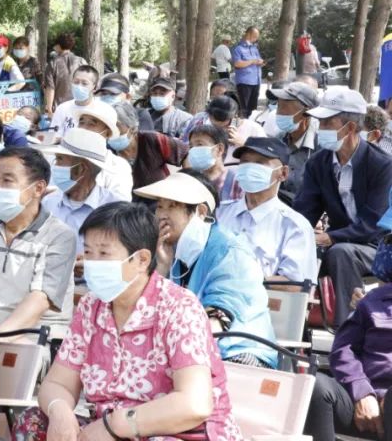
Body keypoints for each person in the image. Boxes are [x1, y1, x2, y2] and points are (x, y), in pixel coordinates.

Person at [16, 202, 243, 441]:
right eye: (89, 252)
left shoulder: (178, 307)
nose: (93, 263)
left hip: (175, 433)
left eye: (104, 253)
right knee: (34, 421)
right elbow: (57, 383)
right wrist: (60, 411)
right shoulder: (91, 307)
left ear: (142, 259)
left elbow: (194, 404)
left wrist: (116, 426)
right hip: (108, 428)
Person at [142, 171, 278, 367]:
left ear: (201, 211)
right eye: (160, 206)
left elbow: (221, 315)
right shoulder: (177, 253)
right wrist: (162, 267)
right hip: (191, 351)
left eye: (172, 206)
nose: (162, 215)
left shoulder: (230, 251)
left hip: (239, 354)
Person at [295, 87, 392, 325]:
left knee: (341, 252)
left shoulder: (382, 165)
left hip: (377, 246)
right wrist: (296, 233)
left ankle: (349, 327)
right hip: (339, 242)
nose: (321, 128)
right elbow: (305, 210)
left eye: (328, 123)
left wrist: (329, 237)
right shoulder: (318, 162)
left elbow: (374, 224)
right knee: (297, 246)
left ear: (350, 128)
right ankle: (292, 322)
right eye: (320, 122)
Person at [0, 146, 77, 332]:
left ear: (38, 188)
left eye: (7, 181)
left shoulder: (58, 236)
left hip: (34, 332)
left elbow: (41, 299)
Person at [303, 262, 392, 441]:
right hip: (365, 398)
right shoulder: (372, 301)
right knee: (316, 386)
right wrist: (362, 392)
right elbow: (343, 350)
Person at [216, 138, 318, 285]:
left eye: (260, 163)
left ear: (283, 173)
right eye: (245, 162)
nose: (250, 168)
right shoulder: (220, 213)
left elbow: (295, 284)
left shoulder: (295, 226)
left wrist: (245, 282)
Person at [40, 128, 124, 237]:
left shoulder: (115, 212)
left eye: (60, 159)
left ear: (81, 169)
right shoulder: (48, 202)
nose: (55, 165)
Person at [110, 102, 188, 189]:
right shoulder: (107, 150)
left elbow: (185, 154)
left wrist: (185, 184)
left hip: (159, 195)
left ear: (132, 128)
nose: (110, 131)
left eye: (116, 126)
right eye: (108, 126)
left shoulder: (152, 140)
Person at [267, 81, 320, 203]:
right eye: (278, 107)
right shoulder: (277, 141)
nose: (278, 113)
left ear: (305, 113)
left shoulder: (322, 148)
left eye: (284, 108)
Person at [74, 100, 134, 201]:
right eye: (82, 122)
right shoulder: (63, 157)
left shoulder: (117, 166)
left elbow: (119, 206)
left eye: (91, 124)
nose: (83, 128)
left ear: (107, 133)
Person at [184, 124, 239, 204]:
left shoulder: (236, 181)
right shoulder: (191, 181)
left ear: (219, 149)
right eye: (191, 146)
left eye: (199, 144)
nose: (193, 150)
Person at [42, 32, 86, 113]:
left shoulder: (52, 64)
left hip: (59, 108)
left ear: (58, 46)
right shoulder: (81, 61)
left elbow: (50, 88)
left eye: (55, 45)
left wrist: (49, 108)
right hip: (80, 105)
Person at [50, 64, 99, 137]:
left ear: (95, 87)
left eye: (84, 83)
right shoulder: (62, 108)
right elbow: (54, 136)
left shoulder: (101, 110)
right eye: (76, 82)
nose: (79, 86)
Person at [232, 26, 264, 118]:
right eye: (255, 36)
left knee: (253, 109)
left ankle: (252, 123)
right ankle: (243, 124)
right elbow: (237, 64)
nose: (256, 38)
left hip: (256, 81)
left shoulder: (254, 48)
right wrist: (252, 61)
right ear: (248, 34)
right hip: (245, 82)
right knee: (244, 108)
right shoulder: (238, 48)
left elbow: (258, 60)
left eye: (257, 36)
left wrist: (261, 62)